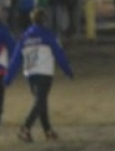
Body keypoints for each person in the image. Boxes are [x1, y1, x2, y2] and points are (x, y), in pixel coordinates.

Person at [5, 8, 74, 142]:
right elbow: (58, 53)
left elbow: (15, 59)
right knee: (40, 102)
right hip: (44, 73)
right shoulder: (48, 35)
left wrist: (8, 78)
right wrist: (67, 70)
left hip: (30, 74)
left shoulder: (24, 37)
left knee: (41, 101)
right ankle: (25, 128)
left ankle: (47, 131)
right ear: (44, 21)